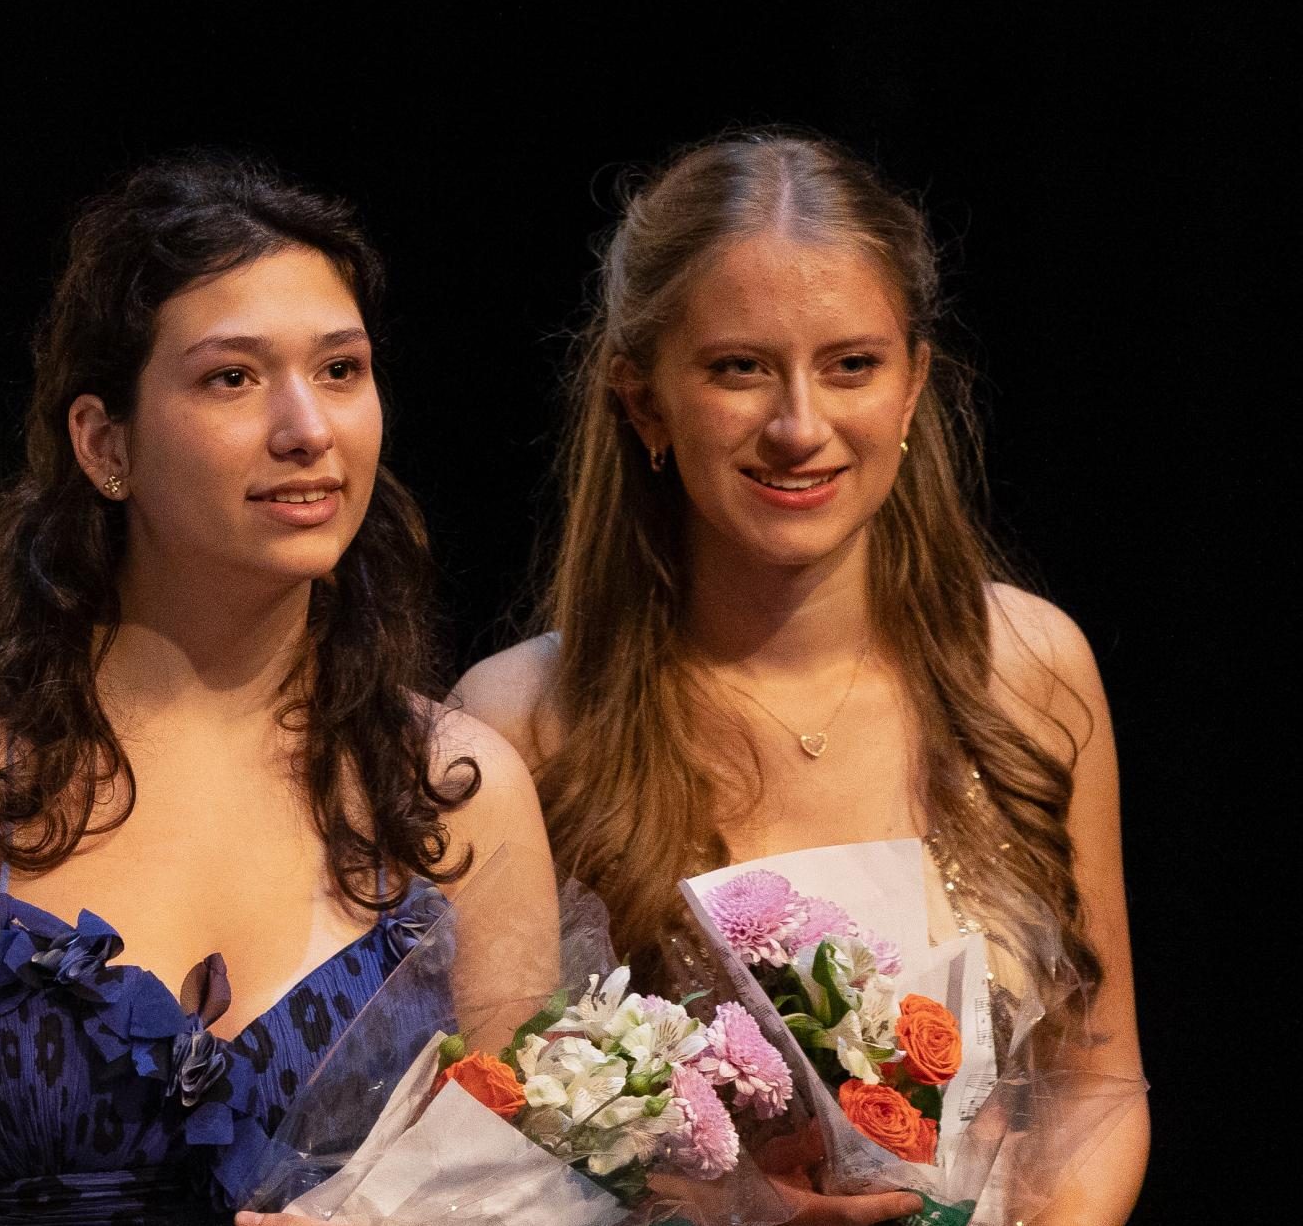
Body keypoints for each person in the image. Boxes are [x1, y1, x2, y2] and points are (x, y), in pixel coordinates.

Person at [457, 133, 1149, 1224]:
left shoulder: (1033, 670)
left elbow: (1096, 1080)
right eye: (738, 367)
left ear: (914, 383)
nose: (797, 424)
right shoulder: (520, 722)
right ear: (642, 402)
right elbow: (493, 1152)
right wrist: (728, 1207)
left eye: (850, 364)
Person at [0, 157, 556, 1226]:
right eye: (232, 378)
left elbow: (527, 1184)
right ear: (105, 443)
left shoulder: (452, 786)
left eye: (340, 369)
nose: (308, 428)